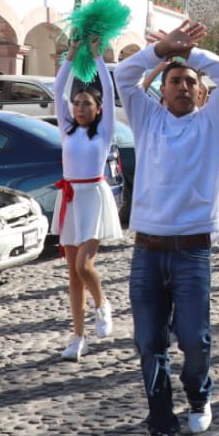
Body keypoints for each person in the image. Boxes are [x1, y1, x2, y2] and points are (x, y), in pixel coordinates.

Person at [113, 20, 219, 436]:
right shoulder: (146, 118)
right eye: (175, 80)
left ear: (200, 92)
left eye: (190, 81)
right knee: (149, 342)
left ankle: (199, 394)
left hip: (192, 252)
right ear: (162, 91)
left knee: (193, 340)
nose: (183, 86)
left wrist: (189, 54)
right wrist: (161, 51)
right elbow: (123, 76)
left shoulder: (210, 123)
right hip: (146, 251)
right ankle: (160, 422)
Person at [53, 36, 123, 361]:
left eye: (87, 105)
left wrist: (97, 57)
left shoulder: (104, 132)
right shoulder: (67, 130)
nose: (80, 108)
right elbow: (57, 90)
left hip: (93, 196)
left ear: (98, 110)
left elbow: (109, 91)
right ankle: (78, 336)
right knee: (72, 273)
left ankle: (103, 303)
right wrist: (69, 56)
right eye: (77, 103)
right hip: (69, 198)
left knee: (84, 264)